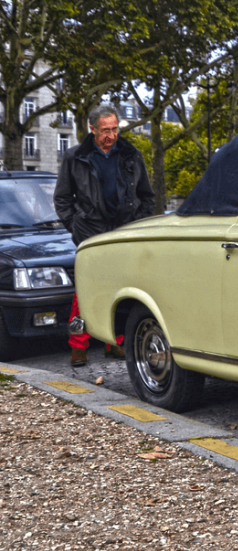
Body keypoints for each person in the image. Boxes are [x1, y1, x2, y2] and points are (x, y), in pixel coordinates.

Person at [54, 105, 155, 367]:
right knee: (85, 292)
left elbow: (146, 196)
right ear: (92, 130)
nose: (111, 135)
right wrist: (75, 226)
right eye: (105, 131)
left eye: (114, 129)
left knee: (121, 288)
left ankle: (115, 341)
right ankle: (78, 345)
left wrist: (138, 224)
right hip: (90, 232)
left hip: (124, 231)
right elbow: (63, 199)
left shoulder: (132, 155)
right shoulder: (75, 157)